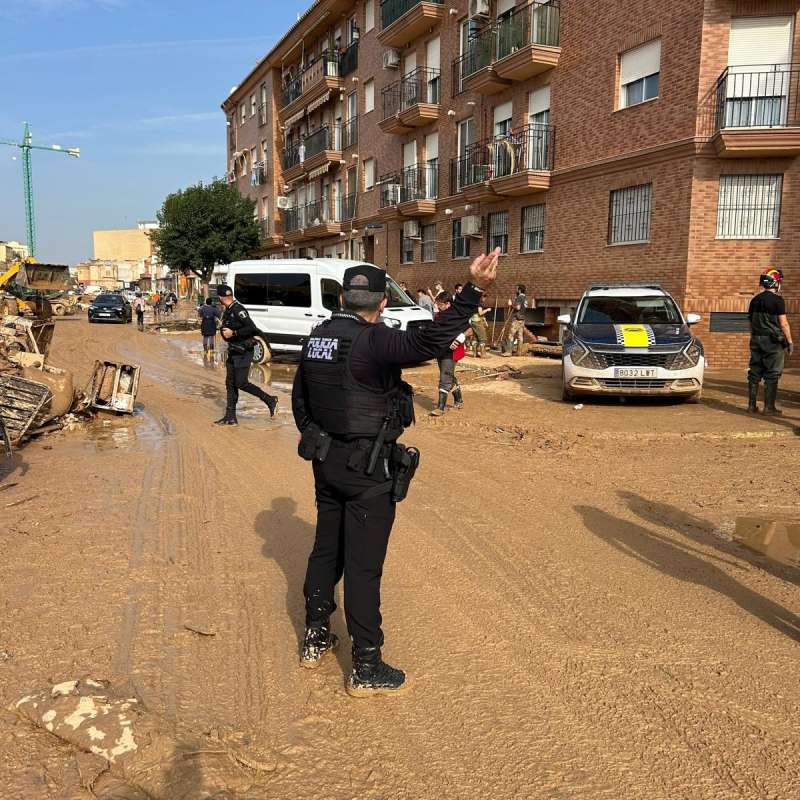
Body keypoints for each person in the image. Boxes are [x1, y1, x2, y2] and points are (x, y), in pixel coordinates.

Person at [292, 249, 500, 696]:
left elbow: (300, 403)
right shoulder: (373, 340)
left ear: (343, 299)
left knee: (326, 550)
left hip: (327, 464)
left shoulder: (318, 337)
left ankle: (314, 638)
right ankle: (366, 665)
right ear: (382, 303)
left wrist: (317, 441)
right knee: (364, 569)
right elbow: (430, 340)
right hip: (366, 470)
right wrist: (474, 290)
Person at [215, 284, 278, 425]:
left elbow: (251, 327)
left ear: (220, 298)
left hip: (244, 352)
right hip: (233, 350)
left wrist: (234, 333)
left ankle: (270, 399)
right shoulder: (228, 310)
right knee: (230, 383)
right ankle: (230, 416)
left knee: (241, 383)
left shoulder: (238, 309)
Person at [747, 268, 794, 415]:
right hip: (772, 342)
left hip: (755, 339)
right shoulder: (777, 300)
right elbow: (784, 323)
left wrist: (755, 336)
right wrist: (790, 341)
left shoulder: (754, 300)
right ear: (775, 283)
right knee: (772, 374)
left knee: (754, 372)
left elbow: (750, 321)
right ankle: (769, 408)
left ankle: (751, 406)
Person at [430, 291, 466, 416]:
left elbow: (469, 329)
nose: (438, 307)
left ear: (448, 304)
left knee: (445, 376)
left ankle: (440, 407)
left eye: (440, 304)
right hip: (441, 350)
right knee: (448, 374)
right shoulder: (438, 316)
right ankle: (459, 399)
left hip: (451, 352)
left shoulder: (458, 316)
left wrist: (459, 338)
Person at [505, 284, 529, 356]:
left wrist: (511, 305)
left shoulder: (519, 297)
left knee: (511, 335)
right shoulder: (525, 298)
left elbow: (518, 308)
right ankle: (519, 352)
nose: (516, 290)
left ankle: (508, 352)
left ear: (519, 290)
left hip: (517, 319)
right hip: (522, 319)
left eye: (517, 289)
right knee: (520, 336)